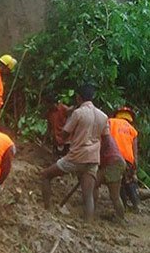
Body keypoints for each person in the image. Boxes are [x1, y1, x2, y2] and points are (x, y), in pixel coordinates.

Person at [40, 84, 109, 222]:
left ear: (79, 97)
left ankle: (47, 210)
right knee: (88, 195)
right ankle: (88, 224)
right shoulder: (103, 116)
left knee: (45, 175)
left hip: (76, 157)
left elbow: (65, 134)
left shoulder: (78, 113)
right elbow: (106, 141)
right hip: (93, 160)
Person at [109, 106, 140, 212]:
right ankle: (136, 204)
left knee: (118, 182)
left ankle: (123, 207)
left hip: (114, 156)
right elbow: (134, 150)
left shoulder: (110, 122)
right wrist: (134, 166)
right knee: (127, 181)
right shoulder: (133, 130)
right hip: (128, 159)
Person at [94, 132, 126, 221]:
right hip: (117, 163)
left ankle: (120, 218)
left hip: (113, 164)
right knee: (94, 184)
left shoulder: (100, 137)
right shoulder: (105, 136)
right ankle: (92, 208)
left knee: (114, 195)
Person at [44, 93, 71, 157]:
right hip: (56, 140)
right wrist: (45, 140)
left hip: (66, 140)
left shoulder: (64, 109)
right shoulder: (49, 113)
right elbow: (49, 128)